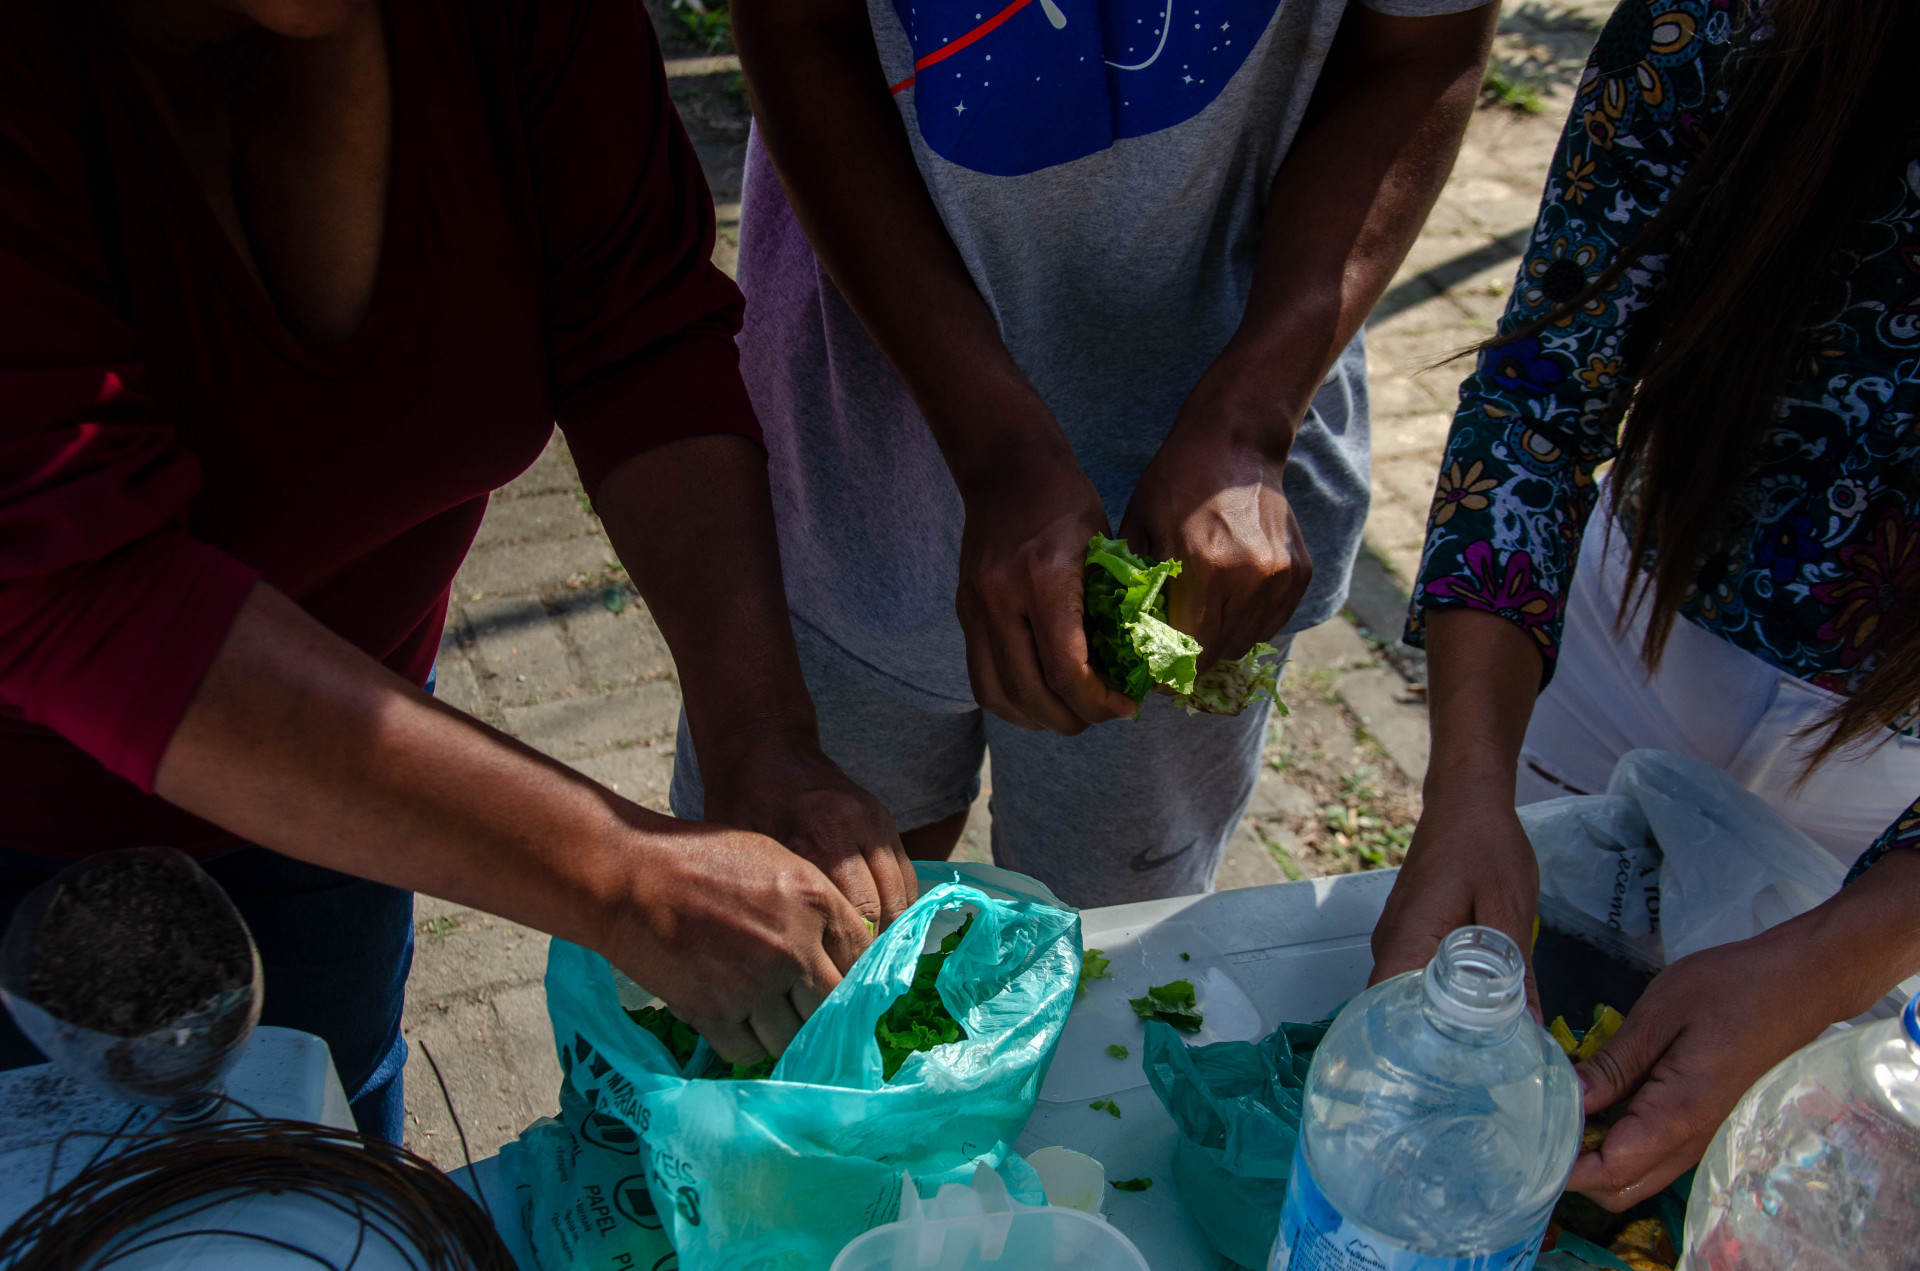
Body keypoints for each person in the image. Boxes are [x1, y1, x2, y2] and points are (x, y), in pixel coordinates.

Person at [0, 0, 918, 1142]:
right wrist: (622, 877)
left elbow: (636, 332)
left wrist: (762, 733)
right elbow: (83, 588)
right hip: (23, 810)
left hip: (351, 770)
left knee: (329, 1164)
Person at [681, 0, 1503, 906]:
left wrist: (1251, 418)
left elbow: (1423, 43)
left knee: (1110, 940)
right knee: (812, 931)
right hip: (850, 459)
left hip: (1205, 533)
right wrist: (997, 447)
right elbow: (797, 29)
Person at [1371, 0, 1920, 1210]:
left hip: (1901, 795)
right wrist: (1467, 781)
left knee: (1794, 1185)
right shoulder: (1736, 24)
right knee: (1486, 1111)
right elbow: (1540, 396)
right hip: (1617, 640)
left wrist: (1841, 952)